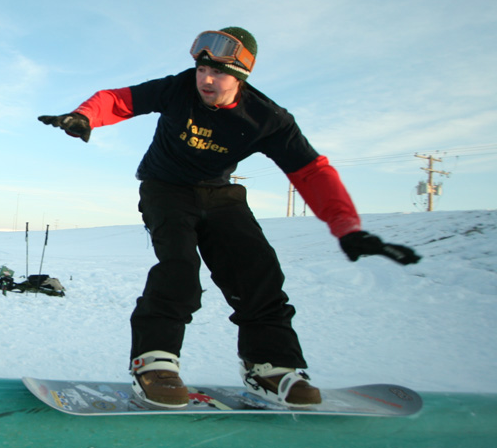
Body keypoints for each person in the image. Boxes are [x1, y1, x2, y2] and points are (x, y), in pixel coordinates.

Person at [39, 27, 420, 408]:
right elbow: (121, 100)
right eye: (201, 68)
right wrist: (85, 116)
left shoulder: (267, 118)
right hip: (165, 187)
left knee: (257, 270)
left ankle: (270, 367)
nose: (205, 79)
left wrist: (346, 227)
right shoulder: (178, 88)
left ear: (241, 76)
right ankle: (154, 362)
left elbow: (311, 172)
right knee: (180, 268)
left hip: (220, 193)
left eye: (219, 72)